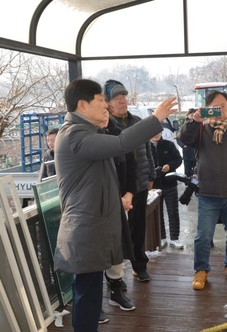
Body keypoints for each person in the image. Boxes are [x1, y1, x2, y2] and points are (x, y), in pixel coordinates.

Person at [53, 78, 177, 332]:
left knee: (88, 294)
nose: (106, 107)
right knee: (87, 297)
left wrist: (120, 199)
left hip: (92, 225)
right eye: (101, 101)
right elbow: (122, 144)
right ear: (82, 105)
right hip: (84, 228)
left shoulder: (87, 132)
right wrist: (155, 120)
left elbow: (101, 179)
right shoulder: (74, 135)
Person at [179, 90, 227, 290]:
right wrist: (194, 120)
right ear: (207, 109)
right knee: (203, 236)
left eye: (224, 105)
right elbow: (183, 140)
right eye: (216, 107)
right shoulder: (200, 130)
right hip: (208, 193)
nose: (221, 110)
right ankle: (201, 270)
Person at [105, 79, 156, 282]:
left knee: (138, 226)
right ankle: (114, 275)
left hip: (140, 183)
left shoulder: (137, 121)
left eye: (124, 97)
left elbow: (148, 150)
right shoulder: (106, 125)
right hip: (118, 188)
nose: (122, 101)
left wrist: (152, 175)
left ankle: (139, 265)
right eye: (117, 98)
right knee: (116, 231)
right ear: (108, 103)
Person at [98, 111, 138, 323]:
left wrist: (129, 194)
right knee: (96, 252)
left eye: (106, 111)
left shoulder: (119, 134)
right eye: (100, 110)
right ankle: (94, 303)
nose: (104, 115)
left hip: (122, 200)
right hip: (96, 205)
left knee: (118, 247)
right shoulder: (87, 137)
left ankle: (116, 290)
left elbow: (132, 166)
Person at [150, 132, 184, 249]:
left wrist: (169, 166)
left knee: (173, 211)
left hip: (170, 183)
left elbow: (179, 159)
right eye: (154, 132)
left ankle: (175, 238)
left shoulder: (169, 145)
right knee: (158, 213)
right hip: (154, 186)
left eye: (158, 132)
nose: (156, 134)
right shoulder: (144, 147)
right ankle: (162, 237)